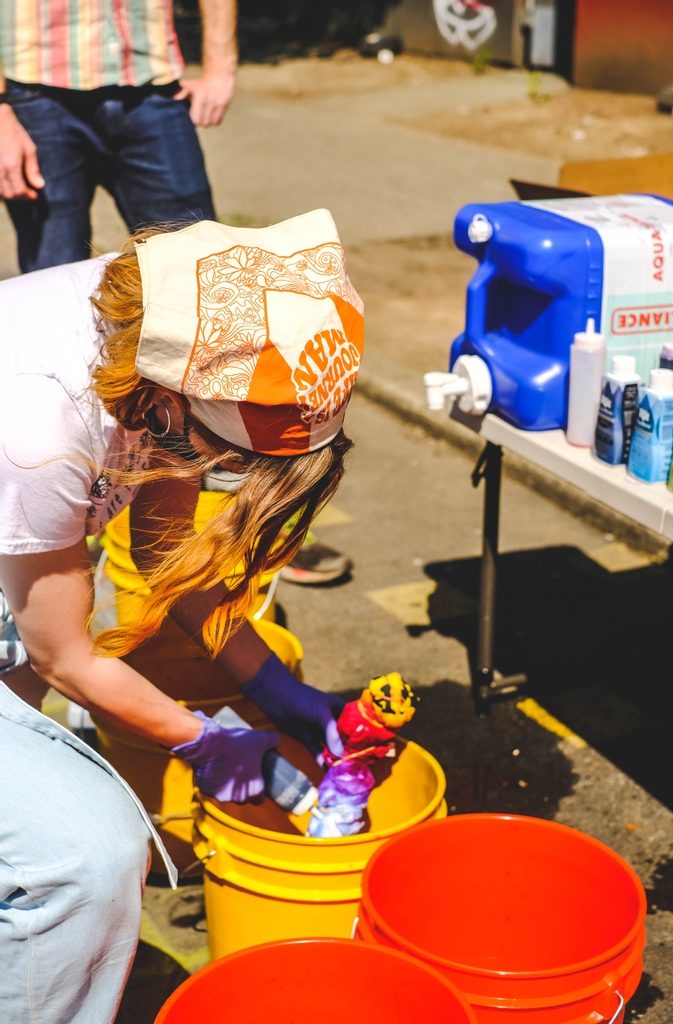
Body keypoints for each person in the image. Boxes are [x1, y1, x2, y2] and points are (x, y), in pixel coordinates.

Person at [0, 209, 364, 1023]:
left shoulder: (182, 335)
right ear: (167, 405)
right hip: (19, 535)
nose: (219, 476)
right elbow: (62, 655)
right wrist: (201, 741)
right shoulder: (41, 418)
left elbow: (165, 555)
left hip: (16, 559)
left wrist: (270, 686)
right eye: (227, 461)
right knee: (83, 858)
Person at [0, 0, 237, 272]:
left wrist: (222, 66)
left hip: (152, 85)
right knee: (52, 274)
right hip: (34, 94)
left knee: (195, 266)